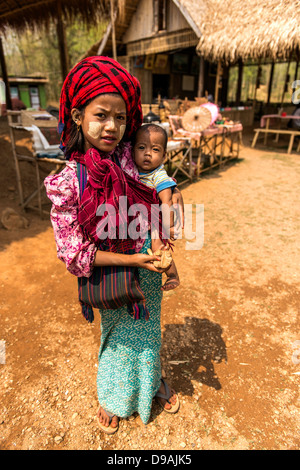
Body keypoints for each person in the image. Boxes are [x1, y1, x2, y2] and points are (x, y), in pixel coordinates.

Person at [44, 56, 182, 435]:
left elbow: (157, 180)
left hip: (148, 268)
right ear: (77, 116)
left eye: (121, 118)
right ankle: (114, 396)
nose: (112, 127)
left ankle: (152, 383)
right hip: (113, 274)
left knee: (150, 330)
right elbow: (75, 254)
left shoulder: (129, 157)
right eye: (101, 115)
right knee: (117, 336)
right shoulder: (69, 182)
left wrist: (171, 193)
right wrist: (133, 259)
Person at [133, 123, 180, 291]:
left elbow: (167, 201)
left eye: (155, 150)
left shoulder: (158, 175)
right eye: (141, 147)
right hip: (139, 216)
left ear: (164, 155)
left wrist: (168, 227)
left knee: (158, 246)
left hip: (155, 218)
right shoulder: (134, 170)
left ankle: (172, 274)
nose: (147, 153)